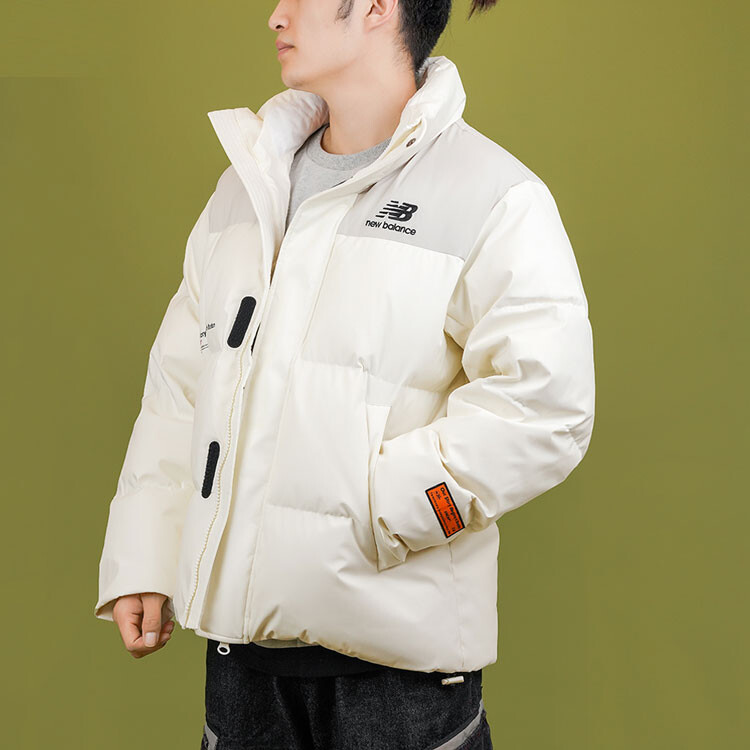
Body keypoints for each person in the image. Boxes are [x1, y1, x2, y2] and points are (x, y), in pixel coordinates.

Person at [94, 1, 596, 748]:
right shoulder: (247, 186)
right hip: (243, 670)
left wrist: (381, 508)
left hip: (398, 682)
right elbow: (181, 385)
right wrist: (146, 553)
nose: (276, 15)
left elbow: (546, 408)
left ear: (377, 7)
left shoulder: (493, 195)